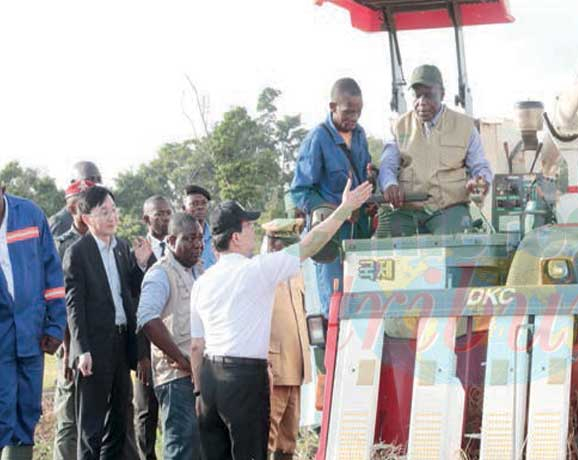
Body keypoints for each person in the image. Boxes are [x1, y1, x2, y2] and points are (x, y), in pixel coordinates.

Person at [190, 179, 371, 459]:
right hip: (244, 378)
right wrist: (345, 208)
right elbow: (311, 243)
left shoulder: (203, 282)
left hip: (210, 379)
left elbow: (196, 346)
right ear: (235, 237)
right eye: (248, 226)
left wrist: (200, 393)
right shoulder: (256, 271)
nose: (253, 231)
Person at [63, 186, 153, 459]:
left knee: (118, 421)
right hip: (94, 349)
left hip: (121, 342)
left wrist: (139, 265)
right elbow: (73, 306)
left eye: (114, 210)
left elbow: (131, 292)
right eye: (104, 212)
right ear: (87, 218)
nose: (113, 217)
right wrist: (82, 350)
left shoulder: (122, 248)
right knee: (90, 426)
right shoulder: (78, 253)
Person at [377, 64, 492, 237]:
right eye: (417, 95)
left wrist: (479, 181)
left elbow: (480, 166)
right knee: (384, 246)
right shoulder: (398, 127)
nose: (422, 102)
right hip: (407, 210)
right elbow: (387, 164)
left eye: (429, 95)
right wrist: (389, 184)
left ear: (442, 94)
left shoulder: (465, 127)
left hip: (448, 209)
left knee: (455, 248)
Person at [290, 77, 373, 316]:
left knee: (361, 304)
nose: (353, 118)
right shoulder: (317, 139)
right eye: (348, 112)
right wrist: (333, 211)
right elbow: (300, 191)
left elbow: (364, 174)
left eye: (358, 113)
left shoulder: (359, 135)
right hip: (330, 237)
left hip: (359, 231)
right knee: (334, 307)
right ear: (332, 107)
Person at [0, 183, 67, 460]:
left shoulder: (29, 215)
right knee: (2, 410)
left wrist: (55, 324)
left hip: (31, 332)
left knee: (28, 411)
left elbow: (52, 273)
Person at [137, 212, 204, 460]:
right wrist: (181, 358)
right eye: (189, 239)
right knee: (181, 448)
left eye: (199, 238)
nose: (197, 244)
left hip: (200, 373)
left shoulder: (199, 271)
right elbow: (147, 318)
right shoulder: (160, 274)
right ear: (172, 240)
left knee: (200, 447)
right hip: (176, 377)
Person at [52, 179, 95, 460]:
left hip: (98, 338)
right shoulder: (61, 245)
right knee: (68, 416)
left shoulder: (104, 241)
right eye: (85, 204)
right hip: (70, 340)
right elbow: (61, 299)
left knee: (95, 415)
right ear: (72, 209)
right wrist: (69, 347)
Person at [262, 219, 312, 460]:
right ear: (275, 245)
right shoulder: (262, 274)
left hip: (296, 367)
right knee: (265, 436)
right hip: (274, 369)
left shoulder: (297, 274)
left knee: (288, 440)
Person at [132, 196, 173, 460]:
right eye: (159, 214)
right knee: (146, 413)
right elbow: (134, 306)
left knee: (174, 413)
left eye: (169, 213)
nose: (166, 218)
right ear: (147, 219)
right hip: (147, 348)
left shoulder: (179, 247)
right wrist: (141, 355)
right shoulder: (134, 250)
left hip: (174, 345)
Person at [49, 161, 103, 238]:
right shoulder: (60, 222)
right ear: (73, 183)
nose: (95, 184)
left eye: (98, 179)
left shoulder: (100, 219)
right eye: (90, 179)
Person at [182, 185, 216, 269]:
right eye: (194, 204)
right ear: (184, 209)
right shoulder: (178, 240)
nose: (200, 207)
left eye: (204, 203)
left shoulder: (216, 237)